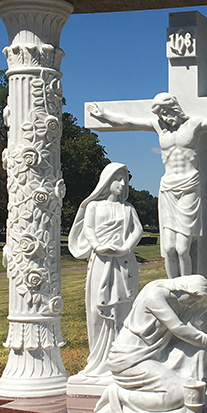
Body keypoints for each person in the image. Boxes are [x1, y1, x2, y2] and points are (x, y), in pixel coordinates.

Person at [87, 93, 207, 278]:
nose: (163, 117)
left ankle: (187, 284)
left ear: (174, 108)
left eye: (165, 112)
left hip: (189, 187)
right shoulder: (159, 126)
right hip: (167, 189)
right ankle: (173, 285)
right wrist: (104, 115)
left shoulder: (194, 125)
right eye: (160, 114)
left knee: (182, 248)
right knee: (169, 248)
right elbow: (128, 121)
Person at [93, 275, 207, 413]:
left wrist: (206, 345)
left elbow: (185, 328)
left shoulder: (175, 300)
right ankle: (118, 396)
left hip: (155, 355)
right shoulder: (154, 296)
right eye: (191, 300)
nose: (190, 304)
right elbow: (177, 328)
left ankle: (202, 398)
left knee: (196, 356)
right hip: (130, 360)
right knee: (180, 395)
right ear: (184, 290)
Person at [67, 163, 142, 386]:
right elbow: (88, 228)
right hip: (100, 261)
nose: (122, 184)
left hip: (123, 262)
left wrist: (126, 247)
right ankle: (99, 360)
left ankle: (121, 357)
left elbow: (137, 230)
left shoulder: (128, 209)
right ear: (107, 181)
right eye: (117, 179)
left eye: (125, 180)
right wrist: (98, 246)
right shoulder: (94, 207)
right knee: (97, 308)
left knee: (123, 309)